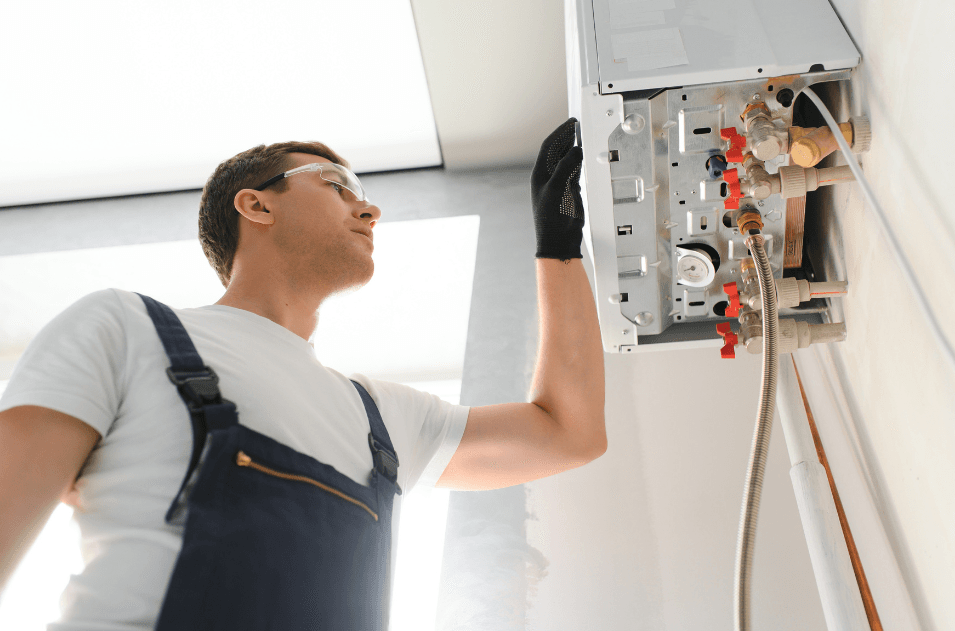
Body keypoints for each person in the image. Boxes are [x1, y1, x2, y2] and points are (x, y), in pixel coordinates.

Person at [0, 117, 606, 630]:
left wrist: (559, 247)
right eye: (338, 187)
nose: (368, 207)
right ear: (256, 204)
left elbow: (568, 432)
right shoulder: (124, 329)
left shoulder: (381, 418)